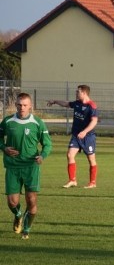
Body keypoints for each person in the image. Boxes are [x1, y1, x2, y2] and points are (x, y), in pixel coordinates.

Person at [1, 93, 52, 240]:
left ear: (30, 106)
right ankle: (18, 215)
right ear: (15, 105)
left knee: (31, 201)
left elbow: (47, 144)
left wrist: (42, 156)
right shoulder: (8, 121)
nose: (22, 108)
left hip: (31, 167)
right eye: (19, 105)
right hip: (12, 166)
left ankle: (27, 229)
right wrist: (4, 148)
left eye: (24, 105)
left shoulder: (38, 123)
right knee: (12, 202)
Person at [47, 85, 99, 189]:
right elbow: (66, 104)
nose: (76, 94)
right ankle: (72, 180)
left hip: (88, 137)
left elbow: (94, 121)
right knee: (70, 155)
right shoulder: (77, 104)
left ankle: (92, 182)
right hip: (76, 135)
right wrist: (55, 101)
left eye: (77, 92)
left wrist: (85, 131)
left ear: (84, 93)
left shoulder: (92, 106)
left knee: (91, 159)